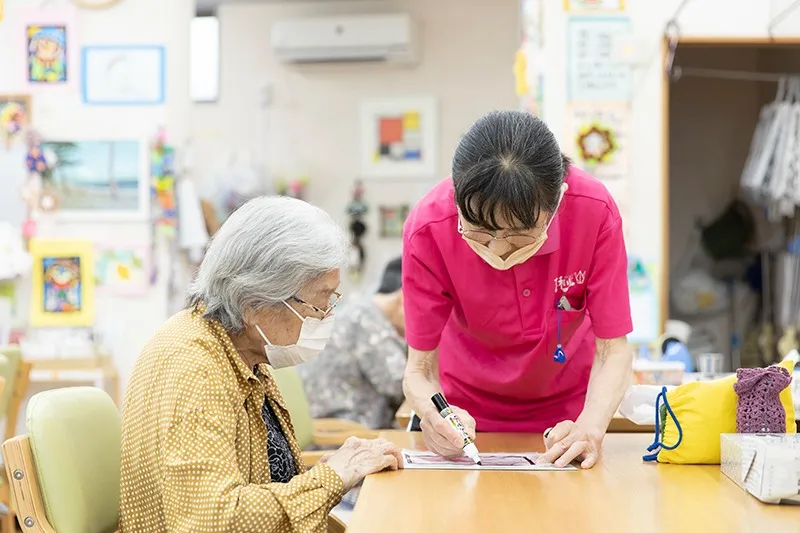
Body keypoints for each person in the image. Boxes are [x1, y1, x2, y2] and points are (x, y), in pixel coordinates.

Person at [120, 196, 403, 532]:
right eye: (320, 301)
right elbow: (212, 520)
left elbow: (262, 479)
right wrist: (330, 478)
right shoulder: (193, 367)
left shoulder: (241, 351)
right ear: (256, 301)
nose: (327, 316)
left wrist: (335, 470)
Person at [402, 110, 633, 470]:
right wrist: (435, 418)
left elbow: (613, 351)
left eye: (518, 233)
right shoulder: (428, 226)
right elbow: (419, 369)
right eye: (479, 230)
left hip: (566, 423)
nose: (498, 248)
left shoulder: (594, 212)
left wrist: (589, 429)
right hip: (465, 420)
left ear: (556, 202)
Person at [298, 257, 406, 430]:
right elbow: (399, 385)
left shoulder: (361, 310)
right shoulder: (366, 319)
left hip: (347, 423)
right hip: (346, 429)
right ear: (404, 297)